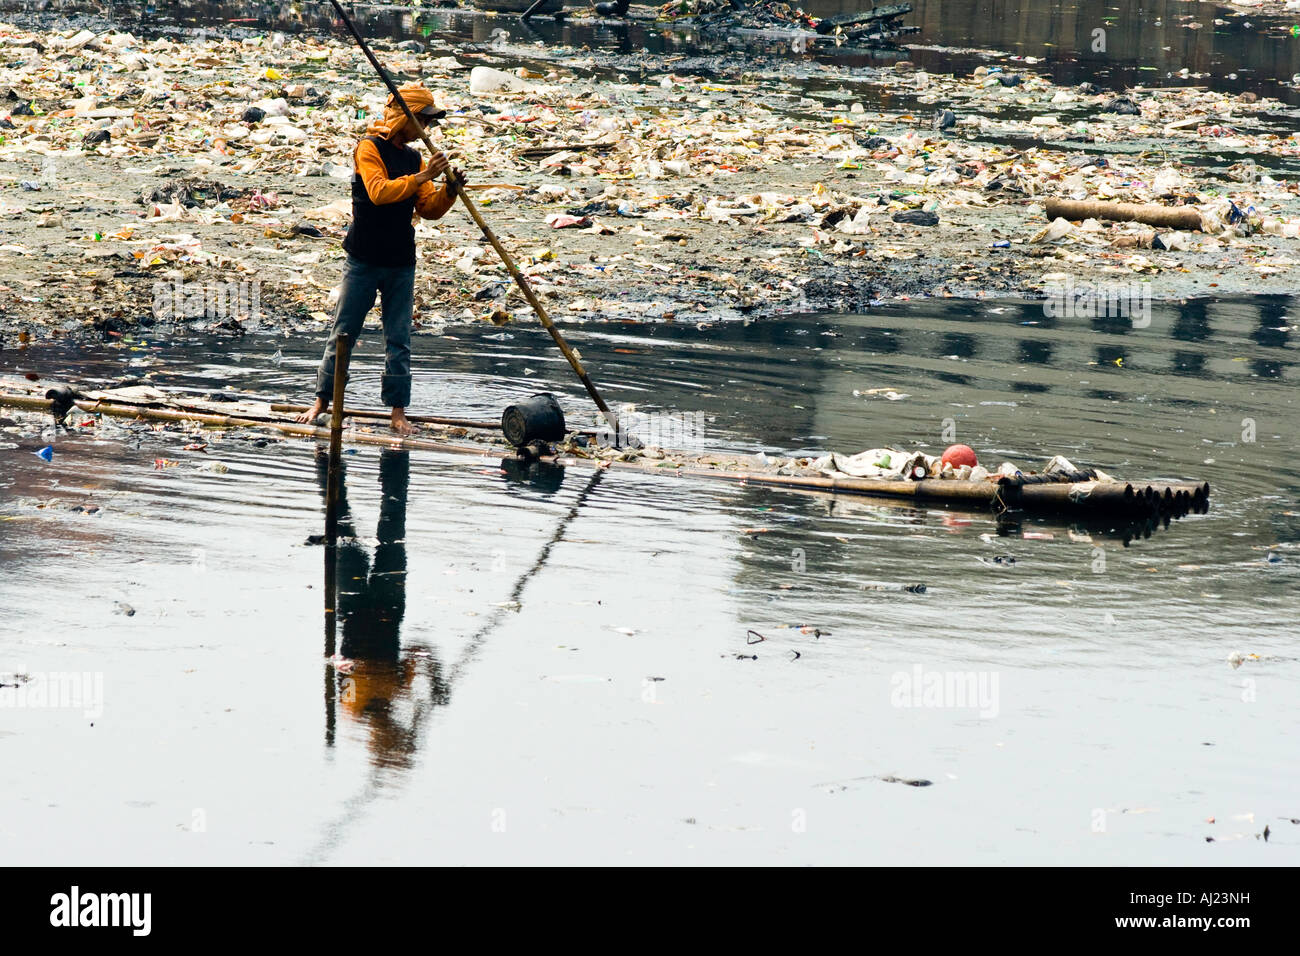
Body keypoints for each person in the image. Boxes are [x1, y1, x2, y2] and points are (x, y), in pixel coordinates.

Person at [299, 84, 467, 435]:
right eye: (422, 120)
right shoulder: (368, 148)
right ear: (406, 119)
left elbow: (428, 209)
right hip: (363, 258)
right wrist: (425, 177)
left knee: (398, 338)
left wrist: (449, 191)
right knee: (343, 331)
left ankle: (397, 412)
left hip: (400, 261)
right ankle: (322, 401)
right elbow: (378, 192)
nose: (427, 129)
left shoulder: (413, 158)